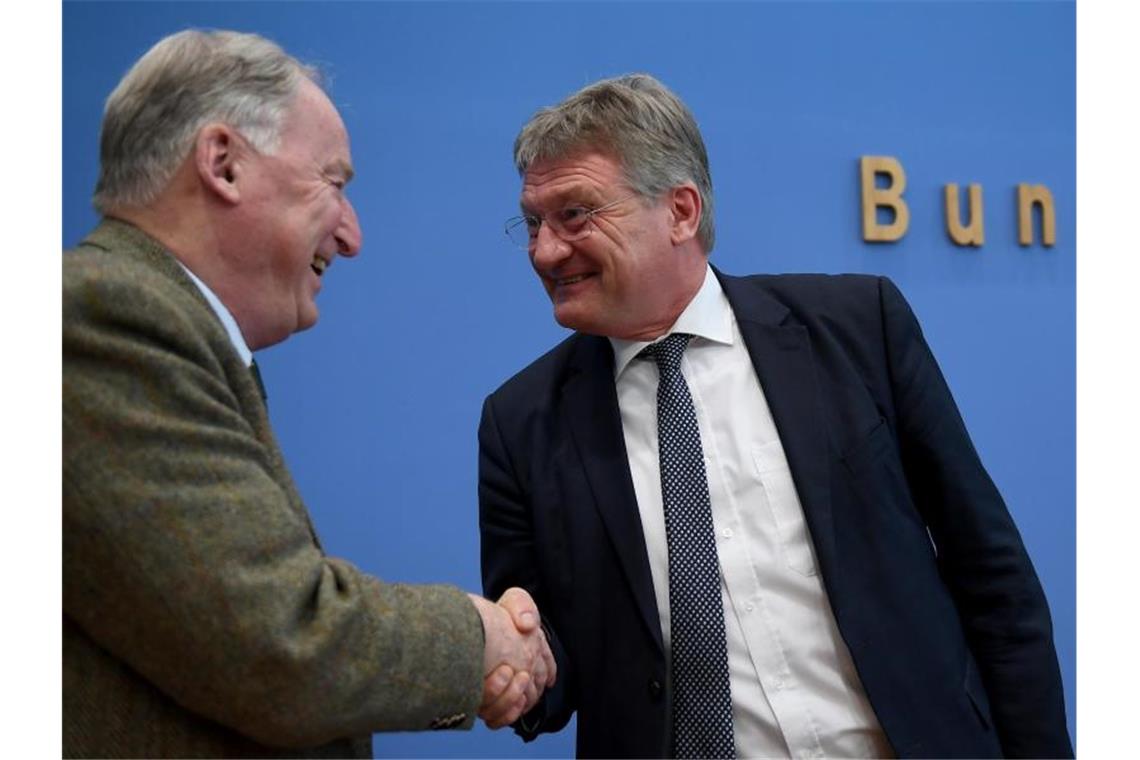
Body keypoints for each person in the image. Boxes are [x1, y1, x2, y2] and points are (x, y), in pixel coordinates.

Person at [479, 74, 1072, 759]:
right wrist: (514, 669)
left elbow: (993, 578)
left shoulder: (858, 331)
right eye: (533, 223)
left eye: (575, 215)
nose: (544, 251)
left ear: (680, 211)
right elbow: (543, 657)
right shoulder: (520, 424)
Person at [63, 29, 553, 759]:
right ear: (223, 164)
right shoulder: (104, 317)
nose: (351, 235)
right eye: (335, 183)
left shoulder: (152, 324)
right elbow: (278, 645)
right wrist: (476, 640)